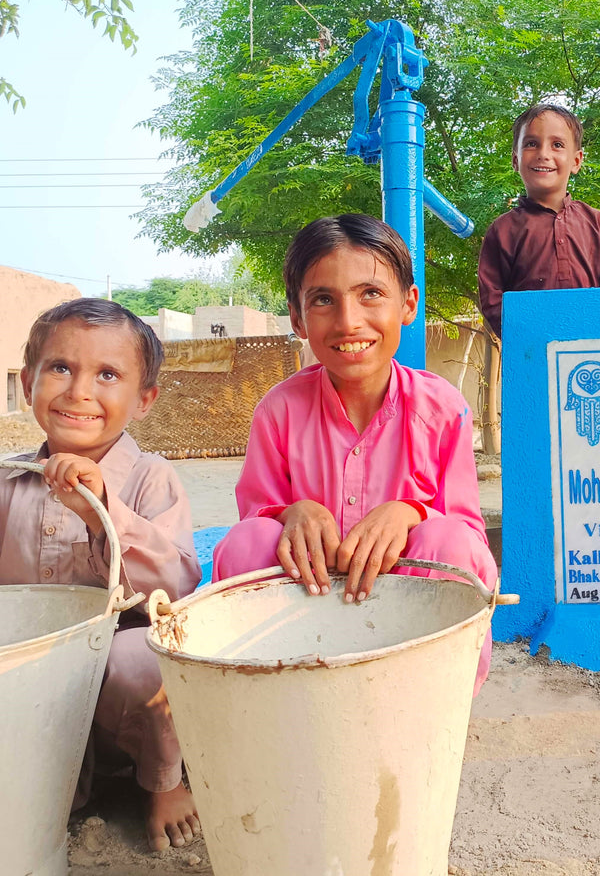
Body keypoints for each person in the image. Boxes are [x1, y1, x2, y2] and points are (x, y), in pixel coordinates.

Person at [212, 214, 497, 692]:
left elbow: (467, 537)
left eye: (371, 294)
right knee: (245, 543)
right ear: (299, 318)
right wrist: (290, 513)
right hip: (304, 613)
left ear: (408, 304)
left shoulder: (442, 409)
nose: (348, 321)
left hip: (407, 621)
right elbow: (255, 516)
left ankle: (435, 694)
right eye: (323, 300)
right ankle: (266, 693)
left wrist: (410, 513)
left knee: (450, 543)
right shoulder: (278, 411)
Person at [0, 298, 201, 850]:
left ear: (143, 400)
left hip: (124, 704)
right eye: (60, 368)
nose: (79, 391)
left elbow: (176, 589)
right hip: (30, 694)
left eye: (107, 375)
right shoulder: (9, 482)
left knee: (141, 656)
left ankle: (163, 781)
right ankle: (56, 784)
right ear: (30, 379)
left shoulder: (151, 480)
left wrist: (100, 509)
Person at [477, 103, 600, 338]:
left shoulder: (598, 224)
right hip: (530, 352)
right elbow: (493, 300)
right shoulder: (502, 231)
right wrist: (526, 336)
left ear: (576, 161)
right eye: (531, 144)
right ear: (516, 160)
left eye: (557, 145)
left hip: (591, 350)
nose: (543, 154)